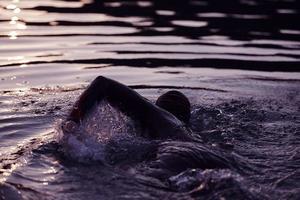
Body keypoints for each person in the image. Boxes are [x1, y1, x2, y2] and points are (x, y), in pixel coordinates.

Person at [63, 76, 194, 141]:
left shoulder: (157, 116)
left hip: (172, 157)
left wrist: (70, 125)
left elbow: (103, 83)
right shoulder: (191, 135)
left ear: (156, 107)